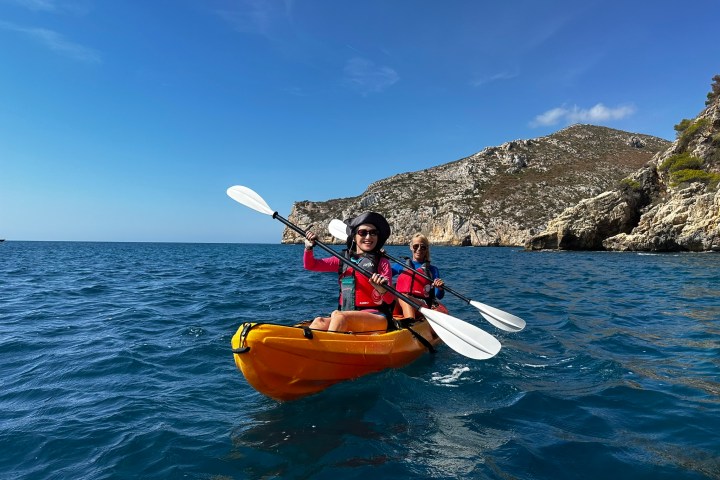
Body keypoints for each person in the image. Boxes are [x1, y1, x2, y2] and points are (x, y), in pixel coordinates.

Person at [303, 212, 395, 332]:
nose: (368, 237)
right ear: (354, 237)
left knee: (339, 316)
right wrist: (308, 248)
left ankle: (329, 348)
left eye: (373, 233)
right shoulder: (342, 259)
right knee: (318, 322)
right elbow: (311, 265)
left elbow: (389, 299)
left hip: (377, 317)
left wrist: (382, 289)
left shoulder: (382, 262)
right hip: (347, 314)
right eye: (363, 233)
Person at [391, 233, 445, 319]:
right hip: (401, 301)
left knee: (403, 297)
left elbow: (439, 296)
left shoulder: (432, 270)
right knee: (391, 291)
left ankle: (410, 321)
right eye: (416, 246)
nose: (419, 249)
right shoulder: (400, 265)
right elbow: (384, 274)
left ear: (426, 249)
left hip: (422, 305)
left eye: (423, 247)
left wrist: (440, 288)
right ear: (411, 247)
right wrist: (379, 258)